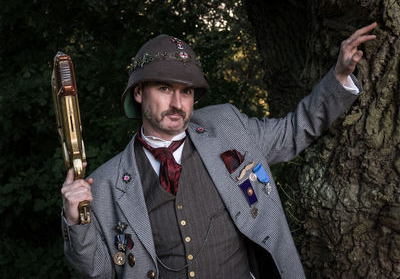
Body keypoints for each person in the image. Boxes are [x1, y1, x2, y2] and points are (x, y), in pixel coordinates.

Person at [61, 23, 377, 279]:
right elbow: (98, 271)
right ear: (139, 93)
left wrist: (339, 76)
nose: (177, 103)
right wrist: (77, 221)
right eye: (165, 88)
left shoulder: (228, 127)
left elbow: (295, 129)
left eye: (186, 91)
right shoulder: (105, 185)